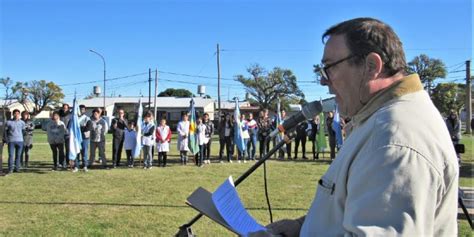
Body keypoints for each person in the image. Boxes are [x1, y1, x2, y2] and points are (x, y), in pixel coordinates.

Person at [252, 18, 459, 236]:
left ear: (372, 66)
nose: (324, 81)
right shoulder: (381, 121)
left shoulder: (393, 139)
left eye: (329, 67)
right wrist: (302, 227)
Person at [4, 109, 25, 174]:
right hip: (11, 141)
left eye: (18, 114)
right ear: (13, 114)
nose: (17, 115)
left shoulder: (22, 122)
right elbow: (5, 132)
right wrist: (6, 139)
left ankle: (17, 168)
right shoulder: (8, 122)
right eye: (15, 113)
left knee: (18, 155)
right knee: (11, 155)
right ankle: (10, 169)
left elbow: (23, 131)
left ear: (19, 115)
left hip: (20, 141)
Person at [76, 105, 92, 172]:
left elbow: (88, 127)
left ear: (85, 110)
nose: (81, 110)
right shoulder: (75, 118)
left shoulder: (87, 118)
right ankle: (76, 166)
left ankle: (85, 166)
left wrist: (81, 128)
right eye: (80, 109)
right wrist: (82, 127)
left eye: (83, 109)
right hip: (76, 138)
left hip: (84, 137)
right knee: (77, 152)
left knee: (84, 152)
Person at [59, 103, 71, 168]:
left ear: (68, 108)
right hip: (60, 134)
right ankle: (61, 162)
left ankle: (67, 162)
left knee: (67, 149)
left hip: (67, 134)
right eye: (64, 108)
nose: (65, 109)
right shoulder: (59, 114)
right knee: (61, 149)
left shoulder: (70, 115)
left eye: (66, 108)